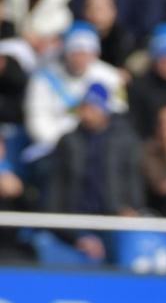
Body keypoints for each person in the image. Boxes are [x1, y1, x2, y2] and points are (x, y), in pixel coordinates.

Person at [44, 82, 142, 263]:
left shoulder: (125, 140)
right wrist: (75, 236)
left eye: (92, 107)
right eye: (84, 106)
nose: (86, 112)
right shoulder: (68, 142)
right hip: (76, 224)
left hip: (114, 224)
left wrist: (131, 210)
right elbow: (56, 192)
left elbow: (134, 182)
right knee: (45, 245)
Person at [24, 22, 125, 169]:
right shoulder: (43, 79)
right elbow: (36, 119)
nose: (81, 57)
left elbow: (119, 112)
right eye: (76, 51)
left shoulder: (111, 77)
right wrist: (65, 144)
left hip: (101, 148)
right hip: (55, 149)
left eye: (86, 52)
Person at [79, 0, 137, 72]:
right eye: (90, 7)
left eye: (101, 8)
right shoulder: (76, 36)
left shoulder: (125, 39)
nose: (95, 13)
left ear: (113, 11)